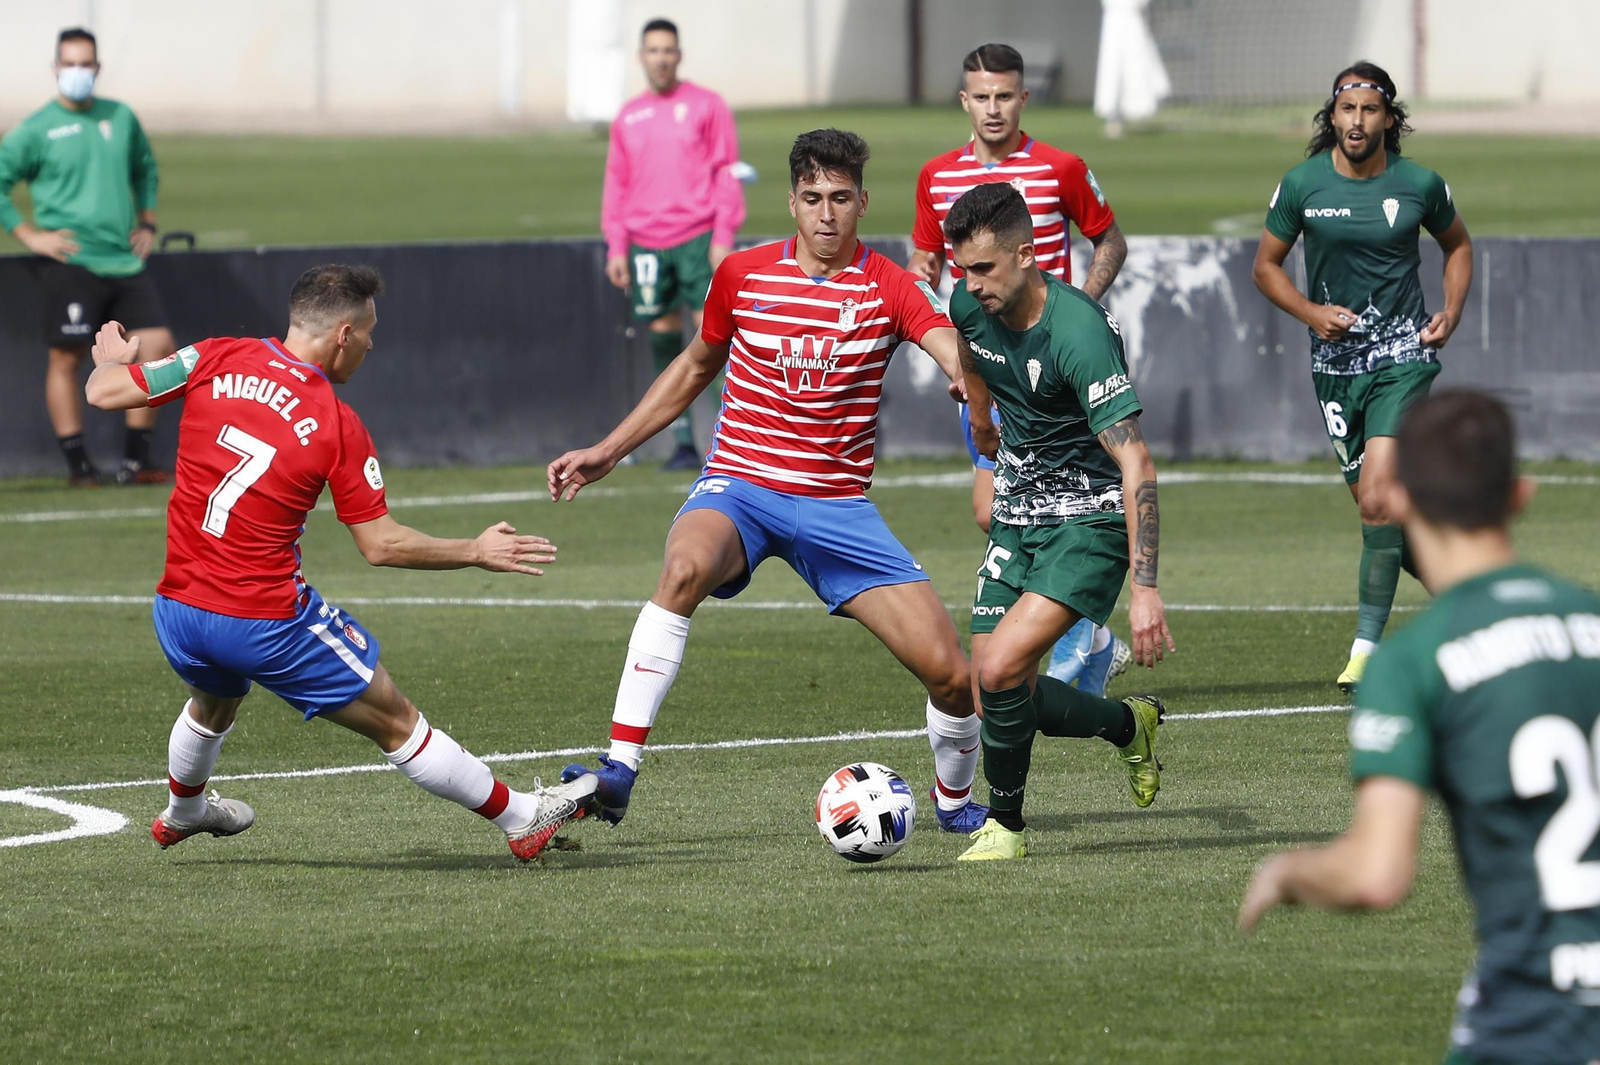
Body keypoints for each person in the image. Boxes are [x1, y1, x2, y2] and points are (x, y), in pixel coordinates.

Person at [550, 129, 990, 834]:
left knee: (950, 675)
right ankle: (620, 769)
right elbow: (695, 366)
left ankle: (956, 801)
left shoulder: (891, 286)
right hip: (742, 486)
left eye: (840, 198)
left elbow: (947, 347)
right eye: (812, 198)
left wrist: (965, 377)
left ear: (862, 202)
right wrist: (610, 449)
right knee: (683, 568)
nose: (826, 214)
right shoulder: (743, 275)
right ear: (791, 202)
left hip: (836, 506)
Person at [83, 264, 597, 862]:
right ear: (344, 334)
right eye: (370, 333)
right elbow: (382, 545)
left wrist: (111, 359)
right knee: (395, 719)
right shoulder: (335, 420)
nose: (372, 346)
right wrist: (477, 551)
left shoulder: (215, 356)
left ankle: (185, 811)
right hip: (263, 619)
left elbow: (103, 392)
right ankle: (523, 818)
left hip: (178, 611)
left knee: (215, 700)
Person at [1239, 390, 1600, 1065]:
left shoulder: (1414, 661)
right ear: (1520, 495)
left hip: (1533, 1023)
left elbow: (1375, 874)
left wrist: (1287, 871)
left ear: (1397, 499)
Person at [944, 183, 1174, 862]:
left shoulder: (1079, 332)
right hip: (1017, 510)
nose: (971, 284)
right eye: (963, 269)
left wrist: (1145, 588)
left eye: (984, 268)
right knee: (991, 691)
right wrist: (980, 420)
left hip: (1088, 521)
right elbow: (969, 351)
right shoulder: (969, 303)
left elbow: (1136, 462)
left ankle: (1006, 827)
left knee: (1001, 668)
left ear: (1027, 254)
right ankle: (1127, 725)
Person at [910, 42, 1131, 690]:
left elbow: (1109, 240)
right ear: (964, 100)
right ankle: (1085, 636)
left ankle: (1070, 635)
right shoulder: (936, 176)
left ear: (1023, 98)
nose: (993, 108)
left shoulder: (1061, 167)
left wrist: (1079, 307)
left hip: (1053, 370)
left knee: (1046, 500)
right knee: (991, 509)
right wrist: (925, 288)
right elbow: (925, 258)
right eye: (981, 96)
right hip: (988, 363)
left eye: (1004, 96)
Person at [1252, 61, 1473, 693]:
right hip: (1334, 366)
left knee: (1378, 499)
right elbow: (1266, 267)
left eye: (1369, 110)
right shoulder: (1302, 185)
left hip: (1403, 357)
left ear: (1389, 119)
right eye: (1347, 109)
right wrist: (1310, 312)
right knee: (1383, 514)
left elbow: (1458, 245)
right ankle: (1472, 600)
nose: (1357, 120)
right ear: (1332, 116)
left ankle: (1367, 651)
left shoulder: (1419, 184)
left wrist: (1452, 310)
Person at [0, 27, 177, 486]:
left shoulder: (120, 116)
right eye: (70, 64)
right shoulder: (36, 128)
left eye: (85, 64)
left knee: (156, 347)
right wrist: (29, 235)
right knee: (67, 357)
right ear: (56, 68)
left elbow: (145, 169)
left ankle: (135, 462)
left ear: (97, 68)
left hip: (124, 258)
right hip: (72, 260)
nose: (77, 72)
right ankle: (79, 465)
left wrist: (148, 221)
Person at [601, 17, 747, 471]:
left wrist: (723, 235)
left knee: (714, 340)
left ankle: (733, 443)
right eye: (653, 51)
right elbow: (616, 184)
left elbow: (727, 172)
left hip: (697, 239)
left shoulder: (707, 105)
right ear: (642, 57)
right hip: (646, 243)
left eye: (668, 50)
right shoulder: (628, 116)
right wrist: (617, 246)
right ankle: (682, 443)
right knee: (664, 341)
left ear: (678, 55)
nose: (661, 59)